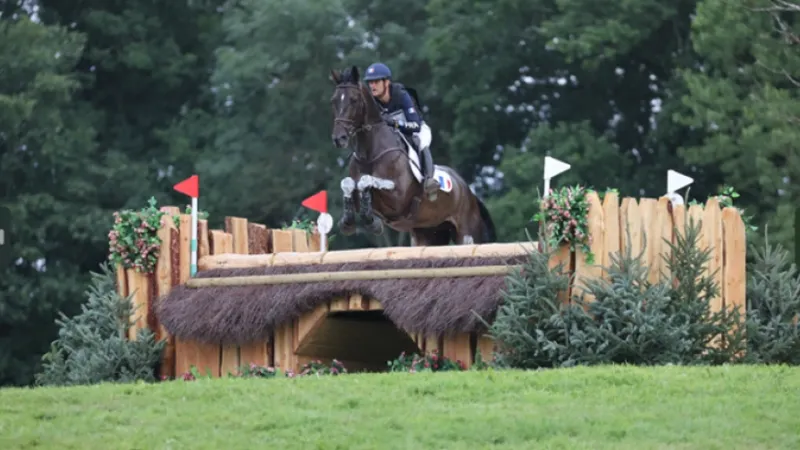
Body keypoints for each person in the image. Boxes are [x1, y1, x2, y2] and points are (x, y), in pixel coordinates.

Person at [362, 62, 439, 198]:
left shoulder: (401, 95)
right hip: (392, 138)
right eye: (370, 82)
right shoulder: (372, 103)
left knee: (421, 142)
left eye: (376, 82)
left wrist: (394, 123)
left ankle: (429, 180)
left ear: (386, 82)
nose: (372, 86)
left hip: (416, 131)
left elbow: (415, 126)